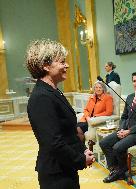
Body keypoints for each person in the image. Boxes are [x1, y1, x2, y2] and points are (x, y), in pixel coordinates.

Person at [26, 39, 94, 189]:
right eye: (62, 62)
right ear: (45, 65)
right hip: (56, 174)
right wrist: (80, 160)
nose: (67, 65)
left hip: (65, 166)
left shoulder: (53, 91)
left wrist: (83, 151)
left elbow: (67, 132)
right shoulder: (41, 97)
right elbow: (53, 143)